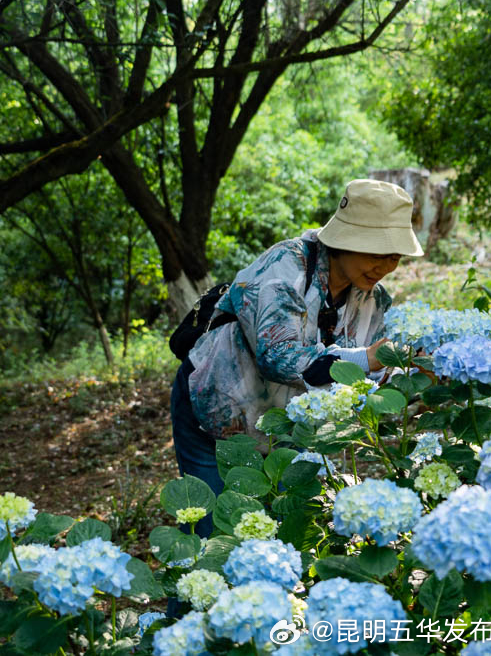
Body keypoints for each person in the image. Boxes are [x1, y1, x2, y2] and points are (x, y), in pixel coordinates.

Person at [169, 179, 423, 537]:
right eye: (376, 253)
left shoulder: (373, 299)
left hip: (281, 427)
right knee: (213, 533)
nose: (384, 266)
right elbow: (279, 356)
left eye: (394, 256)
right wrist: (368, 358)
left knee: (279, 532)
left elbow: (367, 380)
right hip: (214, 409)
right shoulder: (285, 267)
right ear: (345, 240)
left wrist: (416, 377)